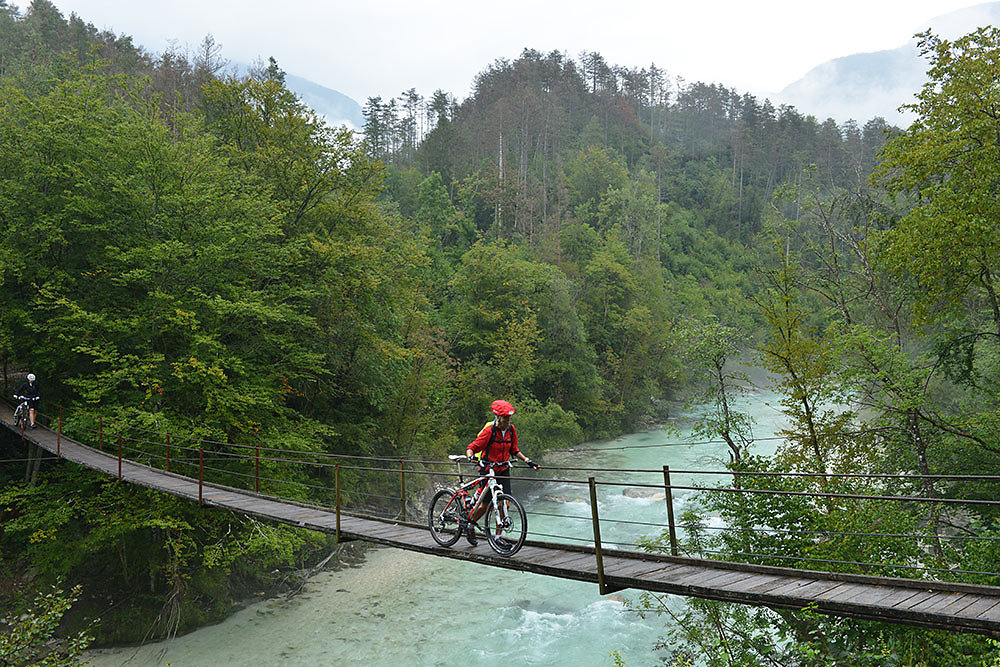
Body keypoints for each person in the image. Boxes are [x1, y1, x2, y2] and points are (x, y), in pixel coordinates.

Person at [462, 399, 540, 546]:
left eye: (509, 418)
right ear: (498, 417)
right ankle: (470, 525)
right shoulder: (489, 431)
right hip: (488, 470)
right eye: (505, 418)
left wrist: (529, 461)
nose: (508, 421)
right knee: (485, 506)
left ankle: (498, 537)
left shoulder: (511, 430)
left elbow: (514, 450)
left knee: (505, 503)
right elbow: (472, 447)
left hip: (503, 469)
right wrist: (470, 457)